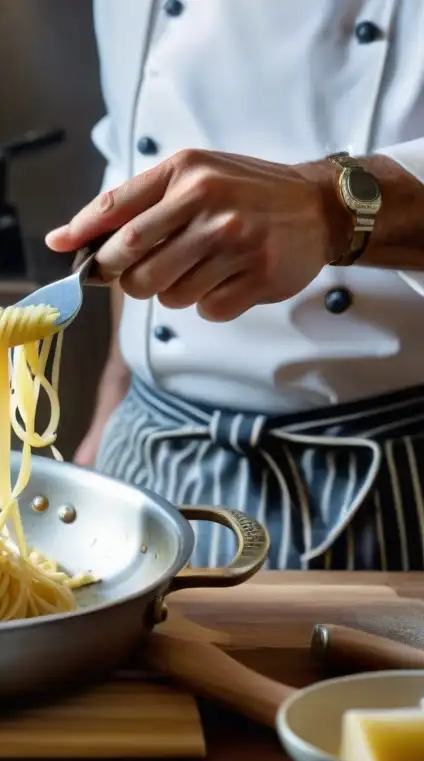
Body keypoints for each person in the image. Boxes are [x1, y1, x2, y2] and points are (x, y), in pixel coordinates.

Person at [46, 1, 424, 571]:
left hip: (378, 482)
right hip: (145, 452)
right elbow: (136, 159)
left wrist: (329, 204)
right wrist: (113, 396)